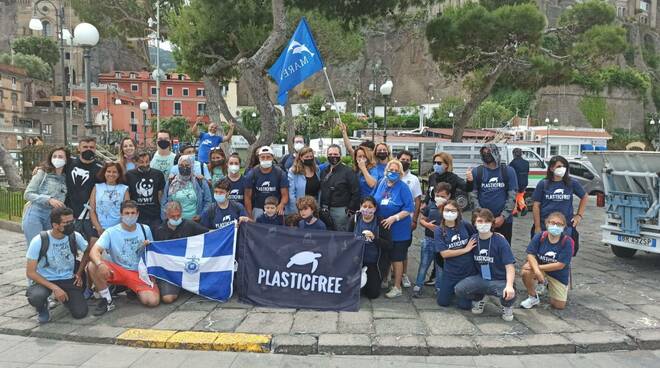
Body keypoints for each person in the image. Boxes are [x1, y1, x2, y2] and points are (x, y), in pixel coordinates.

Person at [86, 201, 158, 315]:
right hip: (118, 270)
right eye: (127, 213)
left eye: (133, 213)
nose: (130, 216)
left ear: (138, 214)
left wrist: (152, 276)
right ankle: (107, 300)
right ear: (121, 214)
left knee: (152, 301)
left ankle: (131, 289)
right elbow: (94, 251)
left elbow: (153, 253)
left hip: (139, 272)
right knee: (92, 265)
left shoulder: (145, 229)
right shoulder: (111, 232)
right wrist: (100, 264)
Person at [25, 207, 89, 323]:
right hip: (46, 279)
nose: (70, 225)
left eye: (72, 221)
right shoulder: (39, 240)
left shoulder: (74, 236)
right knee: (36, 296)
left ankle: (67, 299)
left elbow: (88, 251)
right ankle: (42, 308)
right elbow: (30, 272)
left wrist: (79, 272)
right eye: (66, 223)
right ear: (55, 225)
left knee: (80, 312)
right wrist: (55, 288)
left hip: (68, 277)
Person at [454, 208, 516, 321]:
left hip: (499, 279)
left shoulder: (500, 240)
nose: (483, 224)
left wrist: (509, 285)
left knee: (510, 292)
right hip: (481, 278)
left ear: (492, 223)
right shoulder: (473, 239)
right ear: (474, 223)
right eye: (480, 221)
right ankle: (480, 297)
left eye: (487, 221)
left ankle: (507, 306)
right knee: (459, 289)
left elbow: (510, 266)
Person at [371, 159, 414, 298]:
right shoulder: (382, 183)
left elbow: (409, 208)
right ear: (386, 171)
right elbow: (373, 199)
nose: (393, 173)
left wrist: (394, 218)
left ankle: (397, 287)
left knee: (397, 257)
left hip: (399, 229)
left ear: (400, 173)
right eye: (391, 170)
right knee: (385, 255)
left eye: (396, 171)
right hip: (383, 228)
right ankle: (385, 278)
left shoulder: (403, 187)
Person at [155, 201, 209, 303]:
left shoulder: (190, 224)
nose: (176, 218)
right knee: (167, 299)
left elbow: (209, 234)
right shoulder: (160, 229)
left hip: (189, 266)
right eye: (172, 216)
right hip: (170, 271)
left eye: (178, 215)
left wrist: (231, 229)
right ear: (166, 214)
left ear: (181, 212)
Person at [532, 155, 587, 250]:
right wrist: (537, 227)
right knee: (542, 253)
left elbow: (584, 196)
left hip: (565, 227)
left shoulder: (571, 183)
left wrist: (579, 215)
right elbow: (536, 206)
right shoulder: (543, 184)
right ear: (551, 168)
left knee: (563, 255)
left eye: (564, 166)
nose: (562, 169)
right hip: (545, 225)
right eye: (559, 166)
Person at [521, 212, 574, 310]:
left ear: (564, 227)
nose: (555, 226)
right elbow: (530, 254)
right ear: (547, 223)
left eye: (559, 224)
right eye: (552, 223)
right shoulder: (540, 236)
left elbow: (560, 265)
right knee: (526, 272)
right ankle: (533, 297)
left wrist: (537, 268)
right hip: (541, 269)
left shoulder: (567, 242)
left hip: (558, 273)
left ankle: (549, 285)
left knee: (558, 306)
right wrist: (537, 271)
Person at [466, 144, 518, 244]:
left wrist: (503, 216)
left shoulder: (508, 171)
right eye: (484, 153)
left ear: (495, 152)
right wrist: (481, 215)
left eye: (489, 152)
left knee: (502, 250)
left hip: (504, 221)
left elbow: (512, 195)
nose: (486, 155)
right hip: (482, 221)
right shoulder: (477, 171)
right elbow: (472, 195)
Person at [434, 200, 477, 309]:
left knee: (465, 306)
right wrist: (465, 249)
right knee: (442, 302)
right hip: (451, 272)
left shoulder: (465, 225)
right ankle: (454, 290)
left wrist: (496, 235)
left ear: (458, 212)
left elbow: (478, 236)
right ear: (442, 211)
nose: (450, 213)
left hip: (467, 271)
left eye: (453, 211)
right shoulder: (439, 230)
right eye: (447, 210)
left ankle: (468, 292)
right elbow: (444, 254)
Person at [348, 196, 393, 299]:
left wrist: (375, 238)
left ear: (375, 208)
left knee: (372, 294)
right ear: (360, 207)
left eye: (370, 207)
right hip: (356, 260)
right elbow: (347, 238)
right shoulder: (354, 219)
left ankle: (369, 282)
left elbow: (389, 245)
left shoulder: (380, 222)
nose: (367, 209)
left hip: (373, 262)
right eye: (364, 206)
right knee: (352, 291)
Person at [23, 146, 70, 244]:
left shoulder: (67, 177)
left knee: (49, 248)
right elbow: (28, 194)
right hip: (36, 214)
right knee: (36, 247)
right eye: (55, 156)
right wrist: (49, 200)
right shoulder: (42, 172)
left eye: (61, 157)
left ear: (66, 159)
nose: (57, 159)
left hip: (53, 217)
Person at [414, 182, 451, 297]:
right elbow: (422, 220)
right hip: (429, 239)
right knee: (424, 264)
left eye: (443, 196)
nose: (439, 198)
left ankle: (439, 288)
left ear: (449, 196)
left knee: (440, 267)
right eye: (438, 195)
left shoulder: (450, 208)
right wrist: (428, 225)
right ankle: (418, 286)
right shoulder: (430, 205)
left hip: (443, 243)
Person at [64, 136, 104, 240]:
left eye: (91, 147)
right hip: (68, 211)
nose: (88, 149)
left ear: (95, 149)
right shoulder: (69, 163)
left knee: (89, 247)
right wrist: (40, 168)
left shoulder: (101, 169)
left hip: (89, 215)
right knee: (69, 244)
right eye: (85, 146)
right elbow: (52, 167)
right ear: (79, 148)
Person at [397, 150, 423, 288]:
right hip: (392, 219)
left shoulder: (414, 179)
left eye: (408, 160)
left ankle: (404, 274)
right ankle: (390, 274)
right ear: (397, 159)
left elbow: (418, 201)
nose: (405, 162)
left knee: (403, 249)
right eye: (403, 159)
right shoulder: (393, 175)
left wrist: (415, 220)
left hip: (407, 220)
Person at [319, 144, 360, 231]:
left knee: (340, 237)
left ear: (340, 155)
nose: (332, 156)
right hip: (324, 210)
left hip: (341, 211)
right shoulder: (324, 171)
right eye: (330, 155)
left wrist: (350, 210)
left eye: (335, 154)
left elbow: (355, 192)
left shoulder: (348, 171)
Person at [89, 162, 130, 246]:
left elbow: (127, 211)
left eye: (114, 172)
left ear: (119, 174)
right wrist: (98, 228)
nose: (111, 174)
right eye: (108, 171)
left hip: (117, 229)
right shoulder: (97, 187)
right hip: (99, 228)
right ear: (104, 172)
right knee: (92, 251)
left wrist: (119, 229)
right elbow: (92, 210)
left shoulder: (124, 189)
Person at [161, 155, 212, 222]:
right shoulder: (171, 182)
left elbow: (208, 201)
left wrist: (201, 216)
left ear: (192, 166)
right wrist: (166, 221)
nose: (184, 167)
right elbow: (164, 203)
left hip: (195, 223)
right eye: (181, 165)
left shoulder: (200, 181)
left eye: (187, 165)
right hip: (176, 223)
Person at [244, 146, 289, 219]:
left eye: (268, 157)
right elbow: (247, 197)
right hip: (258, 209)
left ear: (272, 158)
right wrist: (249, 215)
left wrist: (281, 205)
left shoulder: (280, 173)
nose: (265, 159)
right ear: (259, 158)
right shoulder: (252, 174)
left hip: (275, 208)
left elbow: (285, 195)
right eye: (263, 157)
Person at [126, 151, 165, 232]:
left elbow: (161, 195)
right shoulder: (129, 175)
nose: (145, 164)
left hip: (155, 216)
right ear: (135, 162)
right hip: (137, 216)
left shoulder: (158, 174)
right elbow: (127, 196)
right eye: (141, 162)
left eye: (147, 161)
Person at [287, 147, 321, 214]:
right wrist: (296, 211)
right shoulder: (293, 171)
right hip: (300, 208)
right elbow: (291, 194)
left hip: (314, 207)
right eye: (307, 156)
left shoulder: (316, 169)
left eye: (311, 156)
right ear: (301, 158)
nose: (309, 158)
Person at [509, 148, 529, 216]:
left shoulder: (512, 163)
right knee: (520, 196)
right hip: (524, 183)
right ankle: (523, 207)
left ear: (514, 154)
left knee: (514, 197)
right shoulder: (526, 163)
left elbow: (510, 174)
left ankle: (515, 211)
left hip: (516, 183)